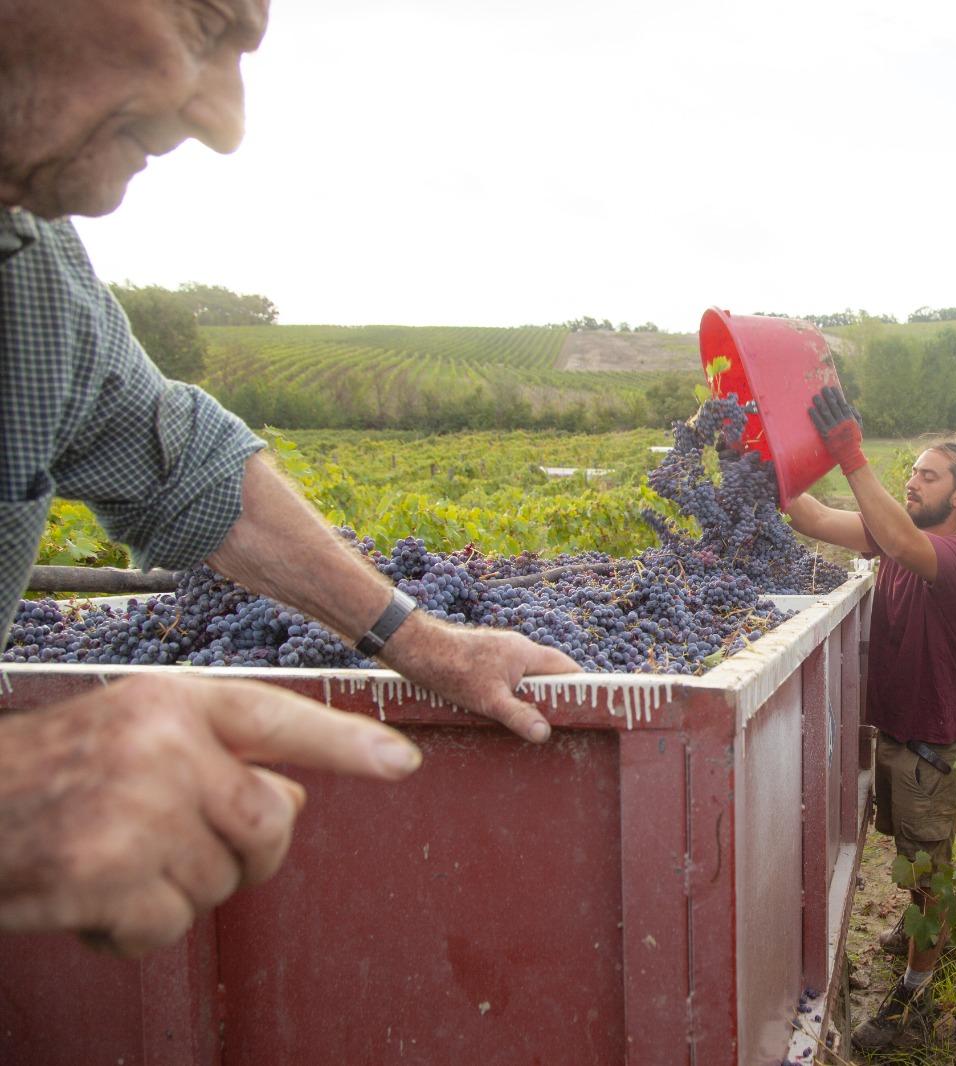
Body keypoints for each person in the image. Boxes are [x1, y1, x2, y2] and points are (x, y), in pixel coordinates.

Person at [0, 0, 579, 958]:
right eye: (202, 24)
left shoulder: (31, 281)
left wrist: (430, 645)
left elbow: (187, 468)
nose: (225, 122)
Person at [786, 387, 956, 1051]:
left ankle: (917, 998)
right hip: (899, 736)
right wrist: (772, 462)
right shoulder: (896, 537)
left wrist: (852, 456)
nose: (914, 481)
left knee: (928, 870)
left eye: (929, 476)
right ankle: (922, 930)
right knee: (911, 854)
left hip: (937, 741)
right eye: (911, 472)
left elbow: (900, 542)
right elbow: (811, 518)